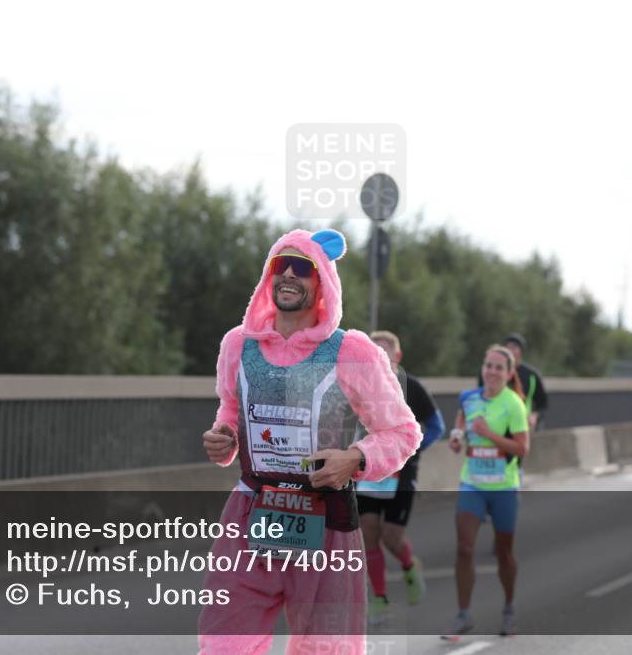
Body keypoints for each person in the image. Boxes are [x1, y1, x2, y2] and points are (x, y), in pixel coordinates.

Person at [198, 229, 422, 655]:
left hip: (325, 518)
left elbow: (402, 433)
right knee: (224, 646)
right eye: (280, 264)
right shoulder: (237, 346)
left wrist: (355, 458)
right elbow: (230, 408)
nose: (288, 274)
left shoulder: (352, 352)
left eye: (301, 267)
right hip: (251, 514)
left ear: (322, 282)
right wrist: (224, 437)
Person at [356, 330, 445, 625]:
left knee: (391, 537)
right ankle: (379, 599)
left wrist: (411, 450)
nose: (379, 357)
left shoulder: (412, 388)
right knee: (369, 532)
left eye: (385, 352)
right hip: (369, 472)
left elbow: (437, 426)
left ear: (397, 356)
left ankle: (409, 565)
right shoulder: (358, 386)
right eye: (374, 352)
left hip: (402, 474)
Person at [447, 345, 529, 639]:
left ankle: (508, 609)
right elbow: (461, 422)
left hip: (503, 487)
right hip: (472, 484)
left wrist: (488, 434)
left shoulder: (514, 404)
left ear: (508, 373)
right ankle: (463, 614)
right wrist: (457, 438)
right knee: (464, 548)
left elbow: (522, 449)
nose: (492, 372)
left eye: (498, 368)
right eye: (488, 366)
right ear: (482, 369)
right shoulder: (468, 398)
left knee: (504, 553)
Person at [478, 333, 547, 432]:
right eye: (507, 347)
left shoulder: (532, 376)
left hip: (522, 425)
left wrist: (535, 416)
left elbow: (542, 404)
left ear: (509, 375)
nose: (493, 372)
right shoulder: (487, 376)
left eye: (514, 347)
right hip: (495, 424)